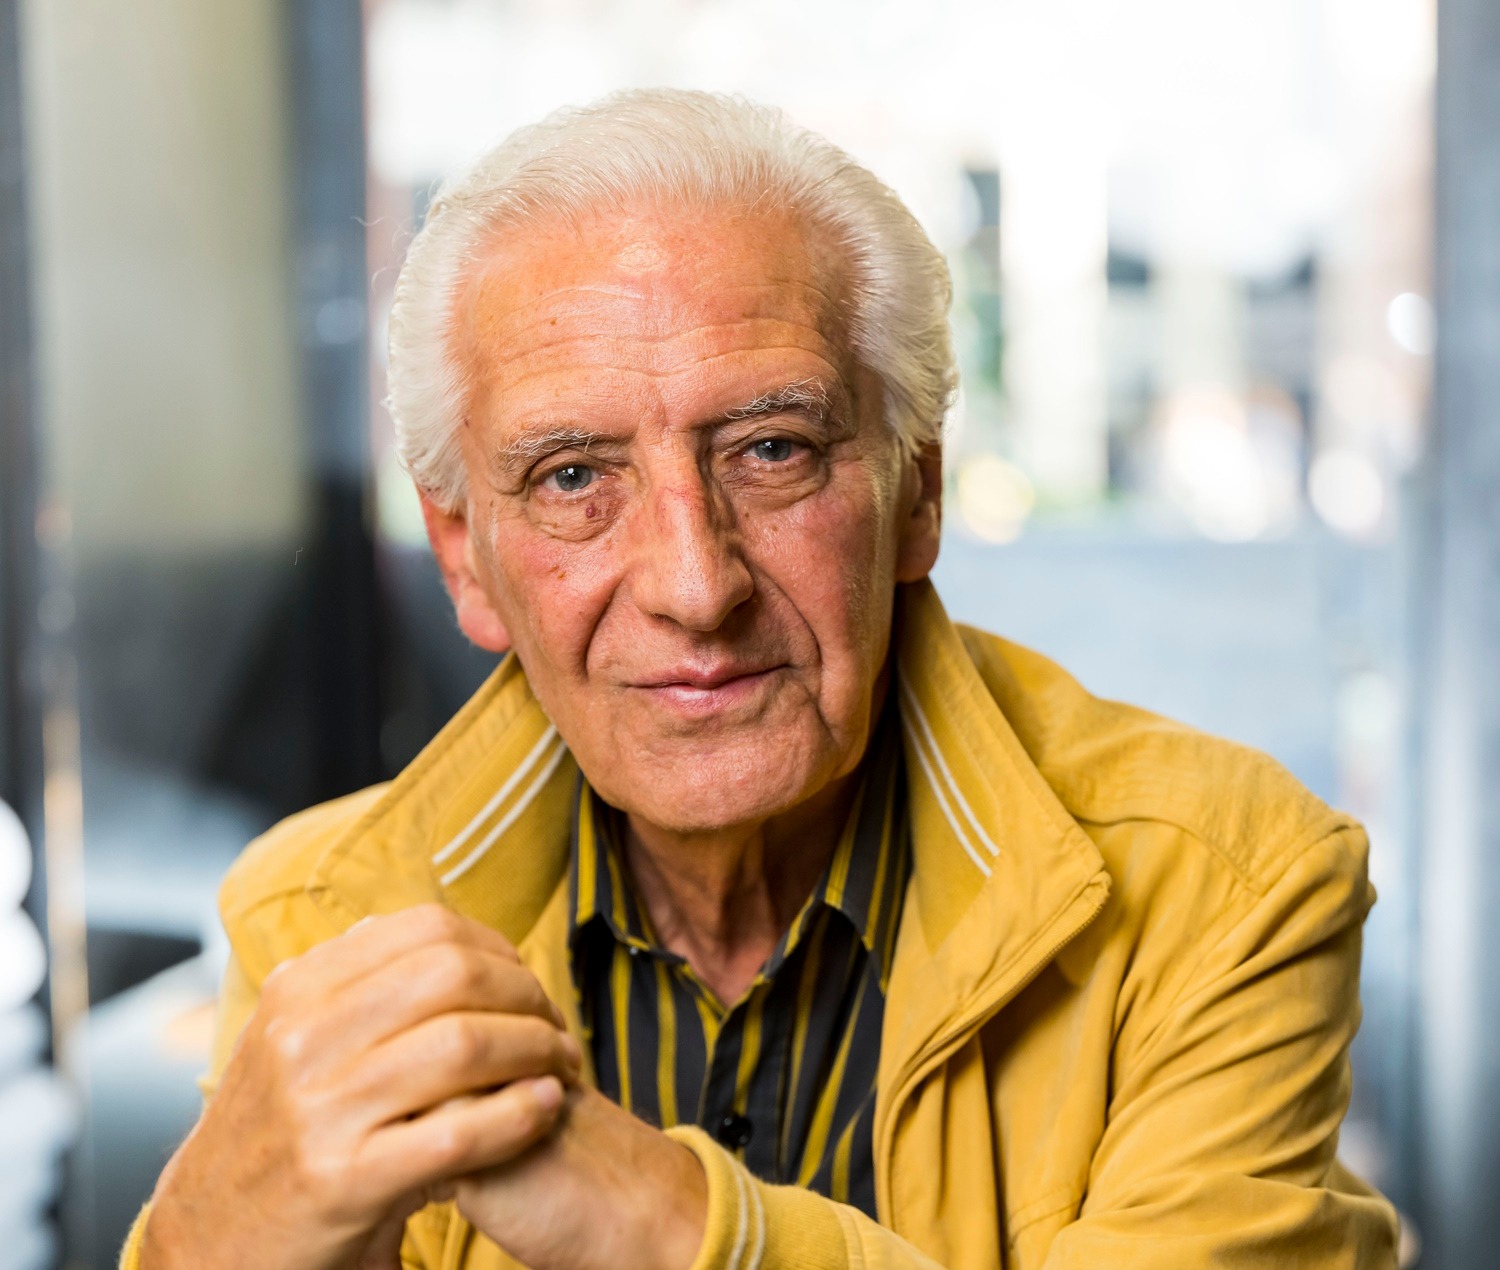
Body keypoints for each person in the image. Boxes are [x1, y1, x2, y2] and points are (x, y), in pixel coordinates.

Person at [127, 90, 1398, 1269]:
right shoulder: (323, 920)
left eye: (773, 449)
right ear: (464, 554)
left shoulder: (1226, 886)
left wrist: (669, 1220)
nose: (696, 584)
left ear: (918, 491)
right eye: (573, 476)